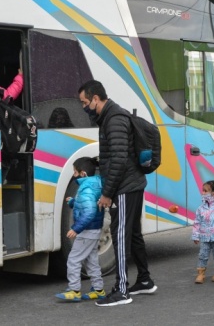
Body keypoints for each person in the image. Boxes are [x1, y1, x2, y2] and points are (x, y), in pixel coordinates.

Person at [78, 80, 157, 307]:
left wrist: (107, 193)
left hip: (124, 187)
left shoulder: (113, 120)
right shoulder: (111, 118)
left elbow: (119, 161)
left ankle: (122, 290)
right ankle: (144, 280)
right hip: (132, 184)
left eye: (85, 102)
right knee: (132, 234)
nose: (84, 106)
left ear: (95, 99)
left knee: (120, 236)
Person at [55, 157, 105, 302]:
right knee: (91, 261)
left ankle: (74, 290)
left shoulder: (86, 188)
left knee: (73, 260)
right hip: (94, 230)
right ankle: (98, 289)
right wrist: (73, 202)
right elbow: (87, 205)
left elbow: (89, 212)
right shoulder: (95, 185)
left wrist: (76, 228)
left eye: (75, 172)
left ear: (83, 174)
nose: (74, 175)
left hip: (87, 231)